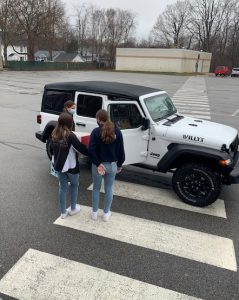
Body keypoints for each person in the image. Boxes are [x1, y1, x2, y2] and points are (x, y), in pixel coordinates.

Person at [88, 109, 125, 221]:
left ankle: (94, 213)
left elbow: (91, 150)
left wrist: (98, 163)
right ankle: (106, 214)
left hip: (98, 166)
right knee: (109, 189)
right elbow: (121, 151)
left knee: (96, 188)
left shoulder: (95, 132)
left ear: (98, 119)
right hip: (111, 165)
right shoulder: (117, 131)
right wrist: (119, 164)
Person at [51, 113, 88, 219]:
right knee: (74, 186)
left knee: (62, 188)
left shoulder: (54, 133)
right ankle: (73, 209)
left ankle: (63, 212)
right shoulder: (70, 136)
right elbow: (81, 149)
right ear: (69, 123)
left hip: (59, 166)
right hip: (72, 167)